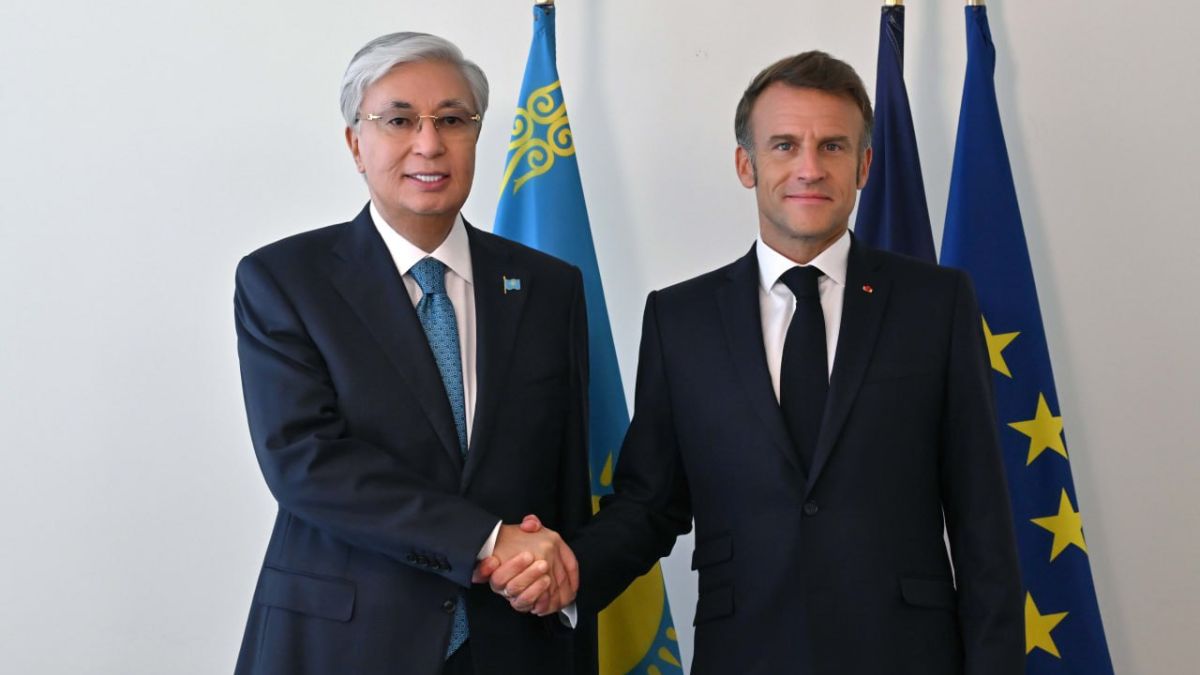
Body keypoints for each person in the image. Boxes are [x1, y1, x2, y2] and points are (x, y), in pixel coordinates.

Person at [484, 51, 1023, 674]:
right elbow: (651, 503)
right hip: (744, 653)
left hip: (907, 655)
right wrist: (569, 571)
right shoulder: (679, 319)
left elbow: (983, 517)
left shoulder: (936, 304)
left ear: (864, 166)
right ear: (747, 164)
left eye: (833, 146)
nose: (809, 168)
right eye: (785, 145)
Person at [232, 32, 594, 675]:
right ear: (356, 144)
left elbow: (566, 480)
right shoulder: (285, 280)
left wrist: (561, 598)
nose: (429, 144)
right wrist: (485, 539)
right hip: (345, 644)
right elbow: (306, 462)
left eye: (452, 120)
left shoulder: (549, 287)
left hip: (515, 642)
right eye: (399, 120)